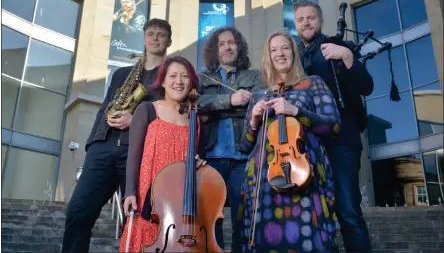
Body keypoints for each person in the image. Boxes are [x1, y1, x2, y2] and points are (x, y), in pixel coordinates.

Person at [61, 18, 172, 253]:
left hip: (139, 152)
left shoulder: (171, 77)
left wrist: (137, 121)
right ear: (144, 38)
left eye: (161, 35)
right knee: (77, 213)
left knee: (135, 223)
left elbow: (173, 116)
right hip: (104, 146)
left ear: (168, 41)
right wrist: (93, 143)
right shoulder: (121, 73)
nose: (155, 38)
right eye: (150, 33)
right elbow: (105, 108)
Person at [232, 30, 341, 253]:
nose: (279, 54)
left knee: (306, 236)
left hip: (302, 173)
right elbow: (244, 146)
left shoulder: (312, 84)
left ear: (293, 52)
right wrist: (253, 120)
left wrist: (296, 111)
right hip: (263, 180)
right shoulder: (259, 96)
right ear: (268, 57)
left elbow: (333, 125)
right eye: (273, 50)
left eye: (285, 48)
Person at [293, 0, 374, 252]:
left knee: (348, 212)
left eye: (311, 18)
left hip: (341, 142)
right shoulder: (293, 56)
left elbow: (366, 86)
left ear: (320, 21)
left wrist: (348, 56)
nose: (306, 22)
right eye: (300, 19)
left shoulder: (337, 46)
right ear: (295, 25)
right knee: (314, 214)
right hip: (307, 145)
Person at [119, 56, 207, 252]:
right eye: (173, 76)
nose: (179, 81)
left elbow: (200, 159)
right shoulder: (148, 109)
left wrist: (200, 162)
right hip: (149, 194)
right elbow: (134, 154)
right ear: (163, 81)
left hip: (182, 201)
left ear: (191, 82)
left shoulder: (196, 119)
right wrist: (130, 192)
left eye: (184, 76)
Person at [197, 26, 265, 249]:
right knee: (210, 218)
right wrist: (231, 101)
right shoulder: (201, 77)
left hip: (242, 157)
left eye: (231, 42)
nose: (227, 47)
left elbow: (258, 105)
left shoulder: (254, 76)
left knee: (242, 218)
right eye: (222, 43)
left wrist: (213, 109)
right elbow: (195, 104)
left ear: (239, 46)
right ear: (215, 50)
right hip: (210, 158)